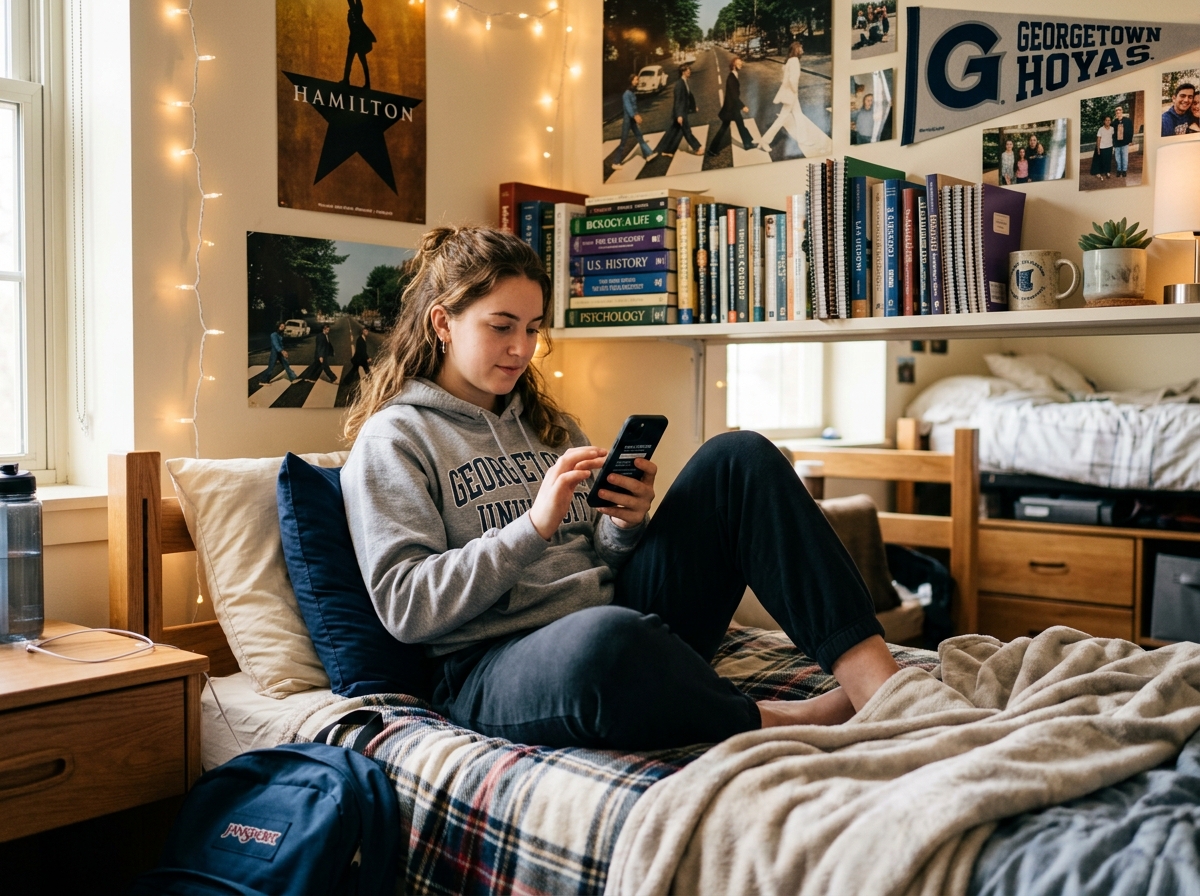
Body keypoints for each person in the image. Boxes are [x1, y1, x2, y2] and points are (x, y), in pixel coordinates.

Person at [340, 225, 903, 752]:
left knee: (740, 455)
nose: (522, 348)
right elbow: (406, 605)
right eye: (501, 326)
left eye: (533, 329)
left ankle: (883, 690)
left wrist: (624, 524)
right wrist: (534, 527)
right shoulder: (394, 439)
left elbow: (602, 555)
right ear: (443, 323)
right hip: (499, 661)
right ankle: (781, 720)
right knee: (607, 639)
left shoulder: (547, 423)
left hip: (625, 618)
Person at [757, 42, 832, 158]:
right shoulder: (795, 61)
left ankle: (802, 139)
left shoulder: (790, 61)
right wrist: (794, 92)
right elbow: (792, 80)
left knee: (798, 115)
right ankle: (765, 141)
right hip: (791, 94)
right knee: (783, 118)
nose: (802, 49)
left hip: (790, 93)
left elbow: (784, 78)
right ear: (796, 49)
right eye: (800, 47)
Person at [706, 56, 756, 156]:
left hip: (732, 107)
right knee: (725, 128)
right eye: (739, 63)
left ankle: (747, 144)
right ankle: (712, 149)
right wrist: (743, 106)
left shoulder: (734, 75)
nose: (741, 64)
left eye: (741, 63)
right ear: (733, 65)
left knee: (740, 125)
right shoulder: (731, 78)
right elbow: (734, 96)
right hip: (731, 108)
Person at [653, 63, 702, 158]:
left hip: (682, 111)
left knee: (675, 131)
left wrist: (693, 106)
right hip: (681, 112)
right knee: (687, 131)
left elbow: (688, 96)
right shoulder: (679, 84)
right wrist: (679, 115)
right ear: (683, 72)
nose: (690, 72)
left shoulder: (684, 82)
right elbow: (678, 100)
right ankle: (697, 148)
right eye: (688, 71)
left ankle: (667, 150)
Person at [609, 73, 656, 169]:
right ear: (631, 81)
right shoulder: (626, 94)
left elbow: (634, 107)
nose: (637, 81)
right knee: (624, 141)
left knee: (639, 137)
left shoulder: (632, 92)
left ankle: (648, 154)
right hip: (628, 120)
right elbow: (628, 107)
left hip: (632, 119)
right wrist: (635, 116)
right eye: (636, 80)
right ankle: (615, 163)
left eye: (637, 80)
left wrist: (637, 114)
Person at [342, 0, 375, 89]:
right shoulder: (351, 12)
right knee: (349, 61)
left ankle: (367, 83)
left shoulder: (358, 9)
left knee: (363, 61)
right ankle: (346, 80)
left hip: (359, 40)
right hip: (353, 40)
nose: (350, 2)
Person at [1112, 105, 1133, 177]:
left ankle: (1124, 170)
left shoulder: (1128, 121)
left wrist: (1130, 140)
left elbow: (1130, 131)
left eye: (1119, 111)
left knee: (1124, 157)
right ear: (1116, 114)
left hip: (1125, 142)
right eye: (1117, 112)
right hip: (1117, 143)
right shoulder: (1114, 122)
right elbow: (1112, 133)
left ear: (1122, 112)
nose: (1118, 113)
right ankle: (1119, 170)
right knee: (1117, 158)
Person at [1092, 115, 1114, 180]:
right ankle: (1098, 172)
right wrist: (1098, 148)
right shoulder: (1101, 129)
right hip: (1102, 147)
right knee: (1100, 160)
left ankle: (1107, 172)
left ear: (1110, 121)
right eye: (1106, 120)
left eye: (1109, 120)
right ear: (1104, 121)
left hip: (1109, 146)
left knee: (1108, 160)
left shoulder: (1112, 129)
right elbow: (1098, 139)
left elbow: (1114, 137)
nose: (1108, 121)